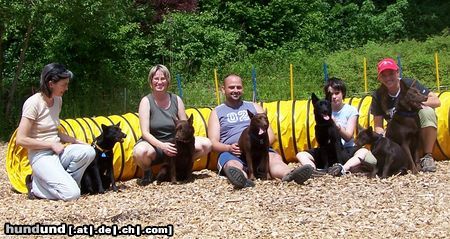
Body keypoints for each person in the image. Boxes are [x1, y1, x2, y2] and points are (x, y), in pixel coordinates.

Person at [208, 74, 313, 189]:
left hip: (260, 148)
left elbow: (271, 136)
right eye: (231, 87)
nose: (235, 90)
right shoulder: (217, 112)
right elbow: (213, 142)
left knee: (274, 159)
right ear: (223, 89)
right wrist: (228, 148)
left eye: (239, 87)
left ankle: (289, 175)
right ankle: (241, 179)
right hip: (234, 152)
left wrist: (258, 145)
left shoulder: (254, 107)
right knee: (232, 165)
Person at [16, 63, 96, 201]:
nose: (66, 88)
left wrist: (76, 141)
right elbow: (21, 139)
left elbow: (55, 131)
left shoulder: (58, 100)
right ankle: (35, 185)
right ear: (51, 83)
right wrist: (50, 145)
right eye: (64, 84)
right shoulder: (33, 104)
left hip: (58, 153)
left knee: (88, 151)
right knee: (72, 195)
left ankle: (68, 184)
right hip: (40, 156)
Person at [133, 64, 212, 185]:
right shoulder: (146, 101)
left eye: (163, 78)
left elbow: (186, 126)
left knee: (206, 144)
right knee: (140, 152)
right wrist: (163, 146)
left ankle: (181, 166)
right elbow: (145, 132)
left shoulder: (176, 99)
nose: (159, 82)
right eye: (156, 79)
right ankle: (148, 172)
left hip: (176, 143)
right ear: (151, 81)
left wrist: (186, 145)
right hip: (154, 144)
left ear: (168, 81)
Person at [370, 58, 441, 172]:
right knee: (371, 160)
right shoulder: (378, 95)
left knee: (427, 111)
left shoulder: (409, 85)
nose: (388, 78)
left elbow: (436, 101)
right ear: (379, 78)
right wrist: (382, 139)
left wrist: (417, 102)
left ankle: (427, 156)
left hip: (416, 131)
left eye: (391, 73)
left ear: (397, 72)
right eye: (384, 75)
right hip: (396, 136)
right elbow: (378, 125)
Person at [296, 77, 369, 176]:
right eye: (331, 94)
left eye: (337, 93)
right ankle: (314, 171)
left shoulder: (351, 110)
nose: (334, 96)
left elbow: (348, 137)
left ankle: (343, 168)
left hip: (346, 150)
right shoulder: (322, 110)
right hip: (326, 150)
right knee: (300, 154)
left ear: (343, 93)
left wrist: (335, 124)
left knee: (364, 151)